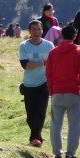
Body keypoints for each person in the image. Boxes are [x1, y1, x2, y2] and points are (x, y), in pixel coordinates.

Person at [45, 25, 80, 158]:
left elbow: (48, 74)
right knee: (75, 125)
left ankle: (57, 155)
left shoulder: (53, 52)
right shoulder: (78, 51)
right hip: (73, 92)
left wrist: (51, 90)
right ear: (75, 36)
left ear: (61, 36)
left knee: (56, 125)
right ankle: (70, 155)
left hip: (57, 92)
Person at [19, 20, 53, 148]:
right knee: (30, 116)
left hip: (44, 83)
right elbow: (26, 65)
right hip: (29, 84)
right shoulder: (24, 46)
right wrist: (43, 62)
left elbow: (53, 63)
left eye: (39, 29)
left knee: (41, 111)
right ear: (30, 32)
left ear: (42, 31)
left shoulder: (49, 45)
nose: (37, 32)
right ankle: (37, 136)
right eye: (34, 30)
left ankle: (34, 139)